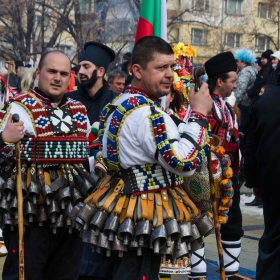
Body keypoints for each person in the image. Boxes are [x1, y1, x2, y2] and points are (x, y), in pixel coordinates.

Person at [79, 35, 213, 280]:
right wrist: (198, 116)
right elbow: (183, 164)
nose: (170, 74)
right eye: (161, 68)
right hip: (144, 211)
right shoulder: (146, 113)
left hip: (121, 204)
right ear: (137, 71)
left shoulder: (122, 103)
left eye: (171, 67)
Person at [0, 50, 91, 280]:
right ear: (39, 72)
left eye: (63, 73)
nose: (57, 78)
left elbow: (87, 154)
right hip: (31, 210)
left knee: (66, 274)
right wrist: (4, 139)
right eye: (51, 71)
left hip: (71, 209)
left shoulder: (79, 110)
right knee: (25, 273)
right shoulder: (20, 107)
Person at [188, 52, 248, 280]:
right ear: (220, 81)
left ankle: (231, 272)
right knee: (200, 221)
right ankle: (197, 273)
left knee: (233, 220)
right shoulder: (204, 105)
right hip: (206, 176)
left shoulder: (226, 106)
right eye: (232, 80)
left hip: (227, 175)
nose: (236, 85)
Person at [243, 83, 280, 280]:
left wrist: (254, 181)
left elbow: (250, 146)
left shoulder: (263, 101)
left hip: (271, 180)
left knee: (272, 240)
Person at [67, 41, 116, 124]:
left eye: (86, 67)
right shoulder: (69, 100)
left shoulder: (114, 102)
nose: (80, 71)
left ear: (100, 72)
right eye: (80, 67)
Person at [234, 48, 257, 149]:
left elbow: (240, 90)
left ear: (243, 62)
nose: (237, 63)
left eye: (238, 61)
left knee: (241, 129)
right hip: (248, 104)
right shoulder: (252, 70)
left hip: (243, 105)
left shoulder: (245, 72)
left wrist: (234, 104)